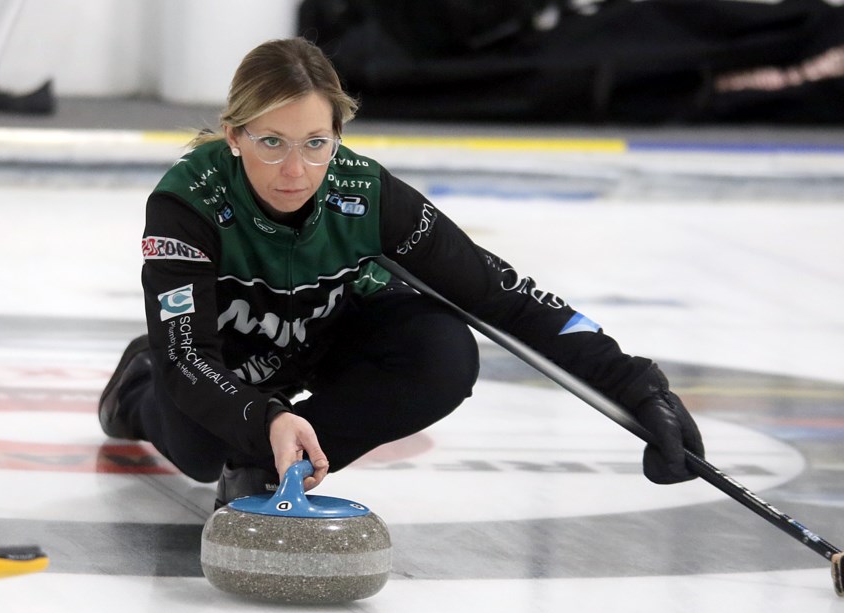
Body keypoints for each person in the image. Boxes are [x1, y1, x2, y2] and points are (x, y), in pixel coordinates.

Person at [98, 37, 704, 508]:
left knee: (442, 354)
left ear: (339, 134)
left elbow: (505, 297)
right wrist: (263, 417)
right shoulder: (187, 201)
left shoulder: (370, 195)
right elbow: (187, 356)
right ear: (234, 136)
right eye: (271, 143)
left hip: (326, 336)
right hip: (219, 357)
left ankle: (274, 465)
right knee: (203, 450)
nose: (295, 169)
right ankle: (135, 390)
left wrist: (636, 387)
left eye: (316, 143)